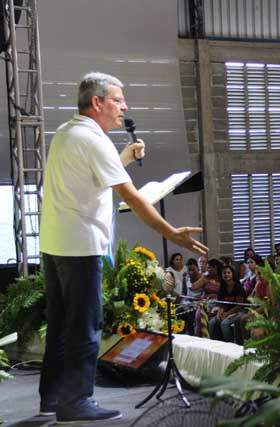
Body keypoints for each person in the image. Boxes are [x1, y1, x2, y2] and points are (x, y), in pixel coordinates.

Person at [38, 72, 206, 423]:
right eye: (118, 99)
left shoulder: (68, 133)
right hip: (82, 246)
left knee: (61, 324)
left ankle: (53, 397)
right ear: (97, 102)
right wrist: (171, 233)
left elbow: (91, 177)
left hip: (56, 244)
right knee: (85, 324)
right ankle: (76, 402)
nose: (124, 107)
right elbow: (131, 197)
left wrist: (123, 158)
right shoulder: (94, 140)